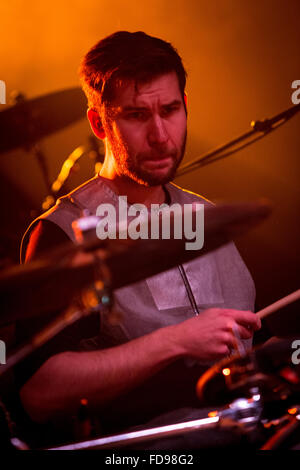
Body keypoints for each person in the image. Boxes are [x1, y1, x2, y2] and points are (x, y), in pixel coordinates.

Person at [16, 31, 260, 448]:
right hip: (142, 449)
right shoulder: (60, 233)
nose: (161, 134)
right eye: (136, 115)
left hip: (240, 426)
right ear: (99, 123)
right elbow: (39, 394)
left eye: (170, 110)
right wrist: (175, 340)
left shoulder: (207, 217)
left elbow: (258, 342)